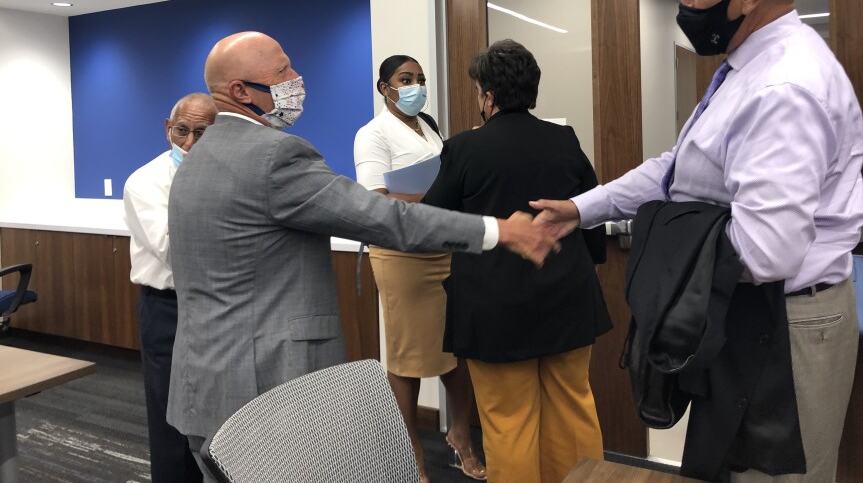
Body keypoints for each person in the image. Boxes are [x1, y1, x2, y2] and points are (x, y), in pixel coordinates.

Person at [532, 0, 863, 481]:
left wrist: (661, 239)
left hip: (786, 323)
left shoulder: (784, 87)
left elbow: (766, 251)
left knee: (773, 475)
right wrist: (580, 208)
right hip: (747, 314)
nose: (686, 3)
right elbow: (678, 170)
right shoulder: (744, 69)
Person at [165, 31, 561, 480]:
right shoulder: (274, 155)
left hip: (204, 380)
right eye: (282, 71)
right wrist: (497, 229)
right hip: (266, 385)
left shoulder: (195, 156)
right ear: (239, 91)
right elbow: (383, 216)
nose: (296, 78)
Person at [422, 40, 611, 483]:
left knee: (510, 421)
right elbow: (590, 210)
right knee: (574, 407)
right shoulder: (564, 139)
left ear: (487, 96)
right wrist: (592, 262)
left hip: (495, 307)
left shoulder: (465, 147)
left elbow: (432, 219)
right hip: (566, 296)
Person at [354, 55, 485, 482]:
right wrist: (435, 205)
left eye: (420, 79)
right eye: (405, 79)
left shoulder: (428, 124)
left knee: (456, 348)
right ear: (384, 88)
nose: (415, 86)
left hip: (443, 249)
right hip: (401, 256)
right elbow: (374, 200)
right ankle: (411, 454)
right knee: (408, 356)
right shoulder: (371, 135)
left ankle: (461, 434)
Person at [122, 92, 218, 483]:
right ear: (167, 129)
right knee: (171, 419)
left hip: (218, 305)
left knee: (218, 416)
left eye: (202, 132)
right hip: (168, 308)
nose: (189, 143)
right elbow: (174, 250)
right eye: (182, 131)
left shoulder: (226, 175)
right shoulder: (145, 182)